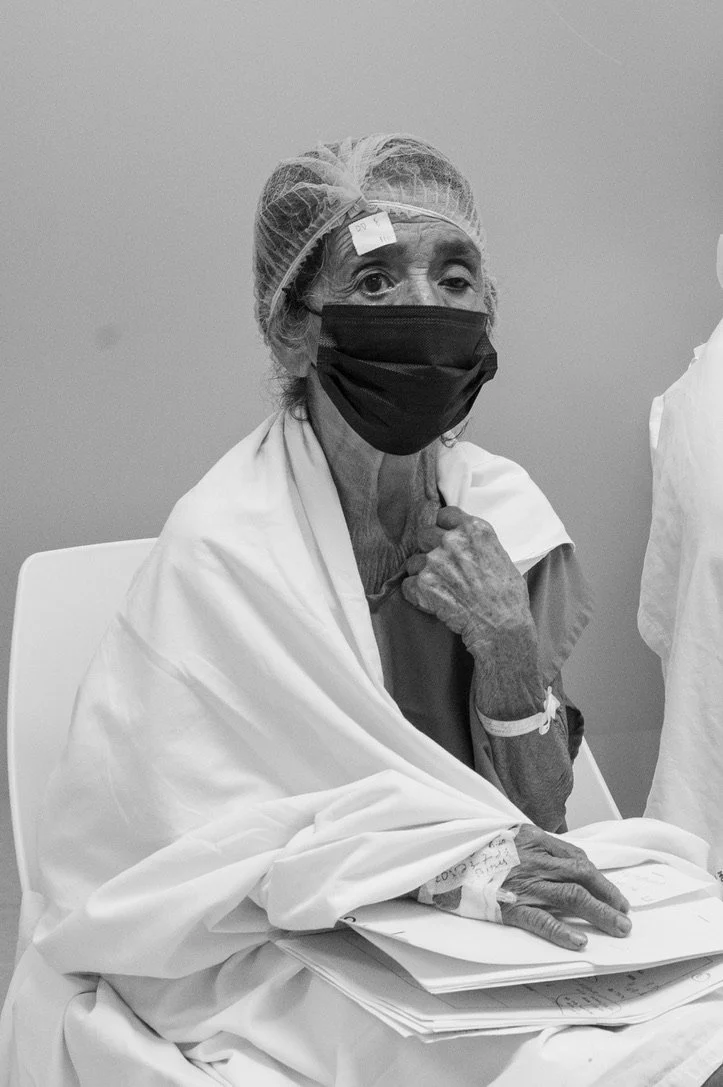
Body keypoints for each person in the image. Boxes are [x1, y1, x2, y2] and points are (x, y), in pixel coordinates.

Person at [2, 134, 723, 1086]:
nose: (424, 309)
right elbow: (159, 869)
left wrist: (506, 647)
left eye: (454, 278)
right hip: (274, 943)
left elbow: (537, 817)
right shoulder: (227, 550)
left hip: (475, 934)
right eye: (375, 281)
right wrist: (432, 870)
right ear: (291, 329)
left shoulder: (505, 522)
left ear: (488, 313)